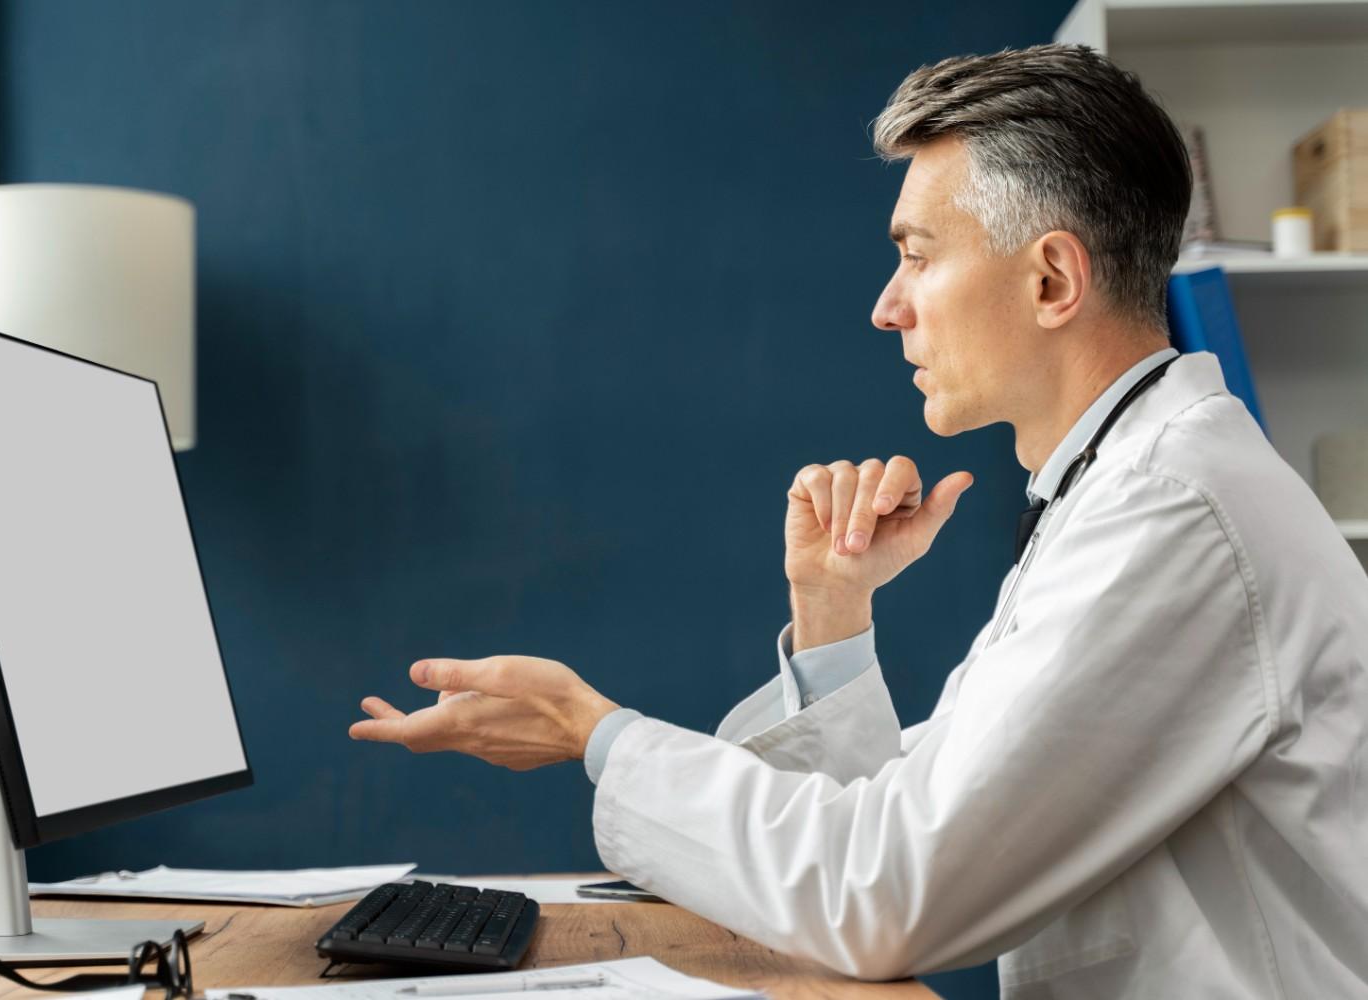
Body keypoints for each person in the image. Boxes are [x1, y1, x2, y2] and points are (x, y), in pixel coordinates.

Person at [349, 43, 1368, 998]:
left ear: (1052, 278)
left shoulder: (1173, 510)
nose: (888, 306)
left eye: (918, 255)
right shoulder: (1122, 483)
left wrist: (593, 732)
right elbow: (910, 819)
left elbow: (884, 893)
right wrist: (832, 613)